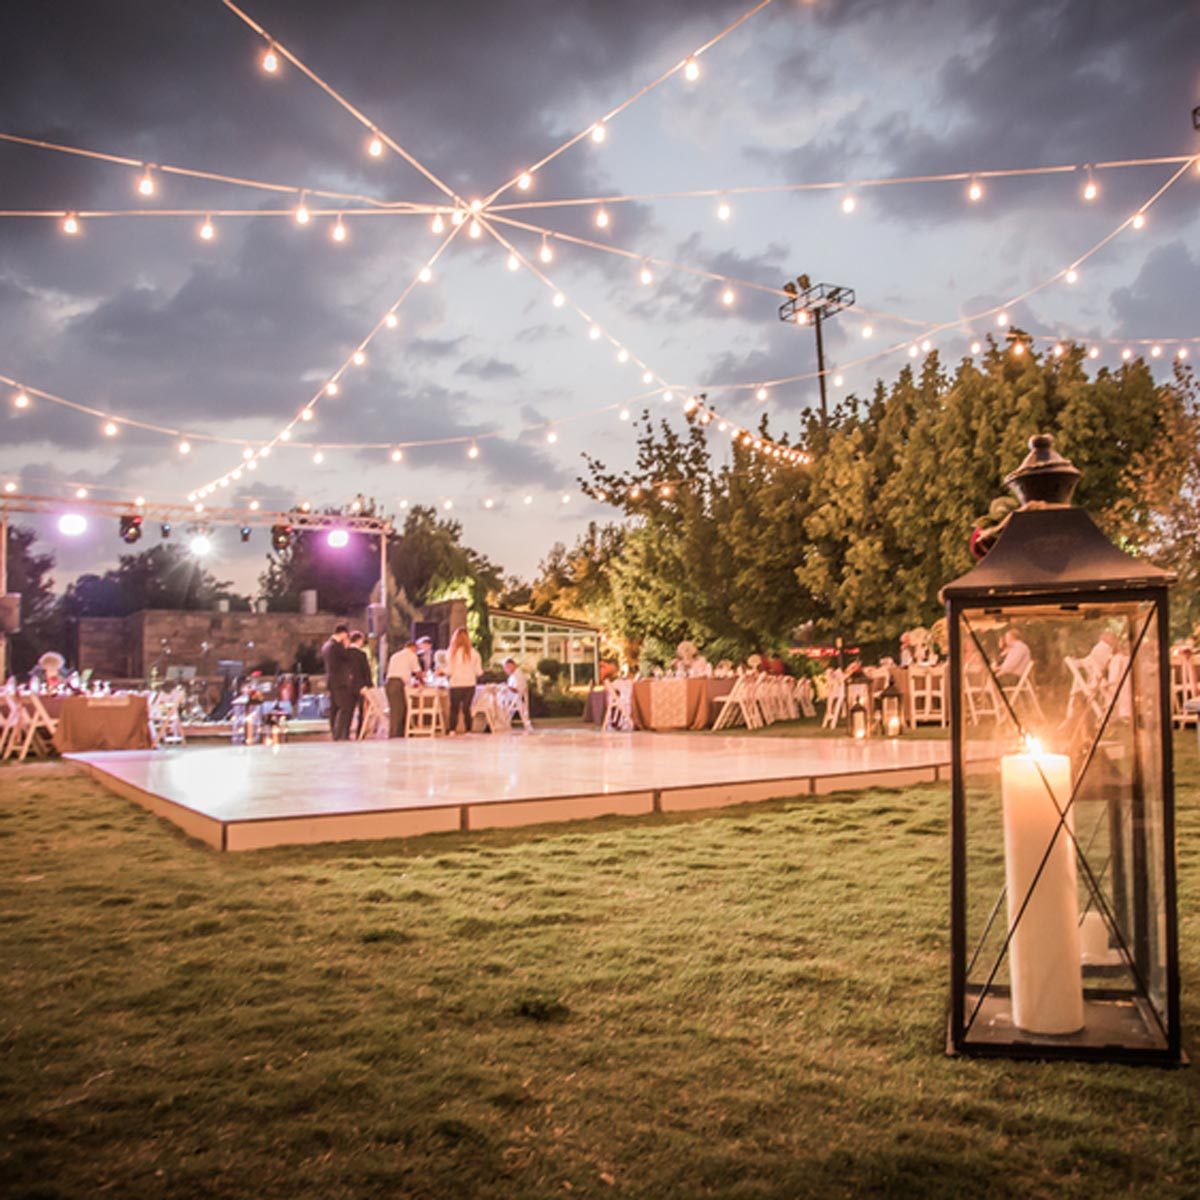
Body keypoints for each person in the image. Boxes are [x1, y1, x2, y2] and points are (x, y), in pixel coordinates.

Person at [321, 623, 358, 741]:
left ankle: (335, 733)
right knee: (345, 707)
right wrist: (347, 646)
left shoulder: (326, 645)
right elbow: (347, 658)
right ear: (342, 634)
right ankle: (341, 734)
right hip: (340, 682)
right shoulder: (336, 646)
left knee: (335, 709)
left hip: (332, 682)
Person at [445, 627, 483, 736]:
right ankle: (468, 730)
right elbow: (479, 672)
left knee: (454, 708)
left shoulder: (451, 653)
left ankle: (452, 729)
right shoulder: (474, 653)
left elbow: (449, 671)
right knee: (467, 708)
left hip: (455, 683)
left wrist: (441, 671)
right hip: (470, 684)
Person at [385, 638, 422, 738]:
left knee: (396, 709)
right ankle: (396, 734)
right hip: (398, 683)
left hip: (389, 683)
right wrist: (423, 681)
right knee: (399, 710)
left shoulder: (395, 655)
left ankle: (399, 732)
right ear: (413, 648)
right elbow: (418, 672)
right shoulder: (411, 655)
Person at [347, 631, 373, 737]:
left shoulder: (345, 653)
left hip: (348, 685)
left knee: (349, 710)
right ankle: (360, 733)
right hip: (361, 686)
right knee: (362, 711)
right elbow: (365, 670)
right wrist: (369, 685)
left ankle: (346, 732)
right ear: (359, 640)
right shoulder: (361, 654)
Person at [502, 657, 534, 731]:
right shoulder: (514, 675)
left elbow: (518, 689)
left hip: (515, 698)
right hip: (513, 698)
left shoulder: (518, 675)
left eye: (506, 667)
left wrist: (507, 687)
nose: (505, 670)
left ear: (511, 665)